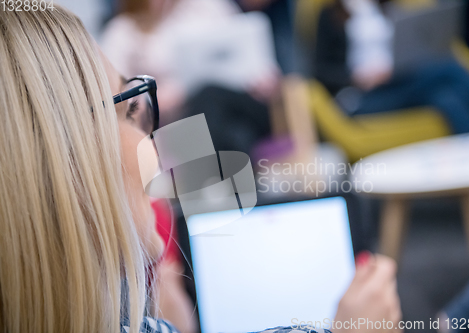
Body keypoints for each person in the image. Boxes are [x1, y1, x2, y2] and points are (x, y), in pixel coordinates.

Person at [0, 6, 401, 333]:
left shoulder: (207, 8)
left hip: (229, 109)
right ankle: (221, 222)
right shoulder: (123, 32)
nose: (144, 136)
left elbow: (251, 60)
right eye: (132, 107)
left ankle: (218, 224)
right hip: (184, 120)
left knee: (210, 103)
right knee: (195, 115)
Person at [100, 0, 279, 156]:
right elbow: (115, 95)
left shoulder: (209, 7)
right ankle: (229, 182)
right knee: (233, 131)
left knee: (210, 97)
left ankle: (210, 182)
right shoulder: (123, 31)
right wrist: (154, 99)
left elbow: (255, 54)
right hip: (177, 116)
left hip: (239, 99)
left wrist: (265, 78)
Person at [314, 0, 469, 134]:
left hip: (398, 81)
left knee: (448, 98)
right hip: (362, 97)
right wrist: (359, 77)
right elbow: (320, 70)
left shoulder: (386, 5)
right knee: (449, 68)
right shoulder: (330, 15)